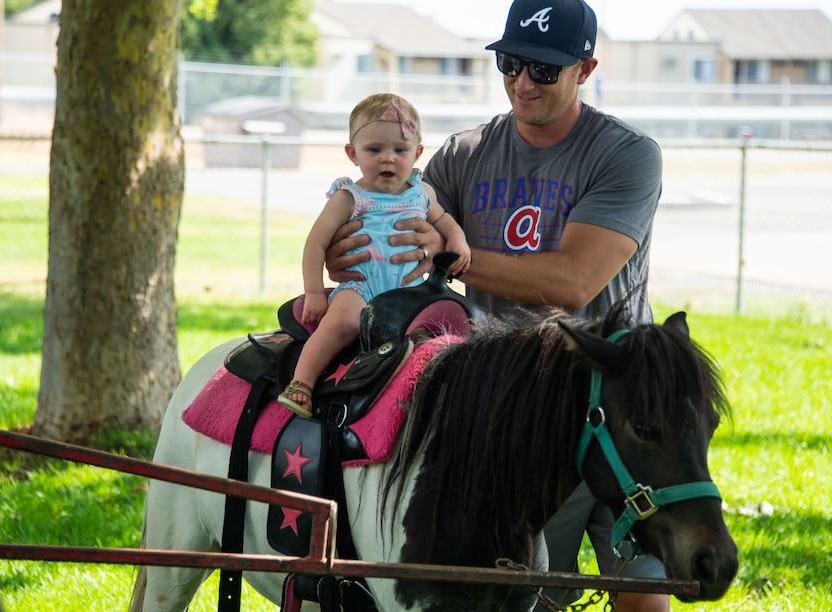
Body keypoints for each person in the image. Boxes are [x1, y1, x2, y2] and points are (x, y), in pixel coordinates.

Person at [324, 0, 668, 609]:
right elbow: (387, 220)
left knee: (642, 584)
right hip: (513, 412)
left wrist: (457, 255)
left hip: (612, 400)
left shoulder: (627, 154)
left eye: (542, 69)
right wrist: (347, 253)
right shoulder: (462, 154)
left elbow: (573, 284)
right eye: (510, 62)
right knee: (528, 590)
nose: (520, 81)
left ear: (585, 70)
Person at [278, 93, 470, 417]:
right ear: (352, 154)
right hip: (361, 287)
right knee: (343, 322)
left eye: (400, 150)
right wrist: (313, 290)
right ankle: (302, 382)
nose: (388, 159)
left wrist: (458, 242)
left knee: (439, 335)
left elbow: (445, 221)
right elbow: (315, 244)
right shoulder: (349, 197)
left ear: (417, 153)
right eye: (374, 150)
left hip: (409, 291)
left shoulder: (422, 192)